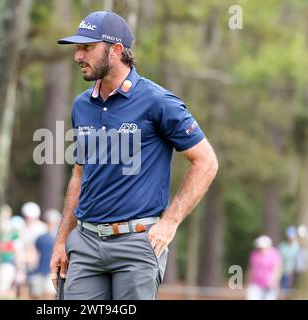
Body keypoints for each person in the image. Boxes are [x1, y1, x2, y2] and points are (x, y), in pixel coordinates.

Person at [50, 11, 218, 299]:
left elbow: (206, 161)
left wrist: (170, 221)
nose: (78, 55)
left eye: (87, 47)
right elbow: (79, 174)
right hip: (85, 244)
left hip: (137, 245)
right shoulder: (81, 105)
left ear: (115, 51)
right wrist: (62, 240)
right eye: (77, 48)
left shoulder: (158, 101)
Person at [29, 209, 61, 299]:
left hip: (52, 270)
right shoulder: (41, 237)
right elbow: (34, 251)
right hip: (40, 269)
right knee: (36, 294)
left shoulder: (59, 239)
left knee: (49, 294)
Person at [246, 235, 282, 300]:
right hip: (256, 284)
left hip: (270, 285)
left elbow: (277, 269)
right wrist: (248, 281)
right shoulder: (254, 254)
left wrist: (274, 281)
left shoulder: (274, 254)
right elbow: (251, 268)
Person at [278, 225, 300, 298]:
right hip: (281, 272)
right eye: (289, 236)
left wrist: (292, 274)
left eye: (292, 236)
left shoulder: (298, 247)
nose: (290, 238)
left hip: (293, 273)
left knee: (289, 293)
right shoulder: (282, 246)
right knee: (281, 292)